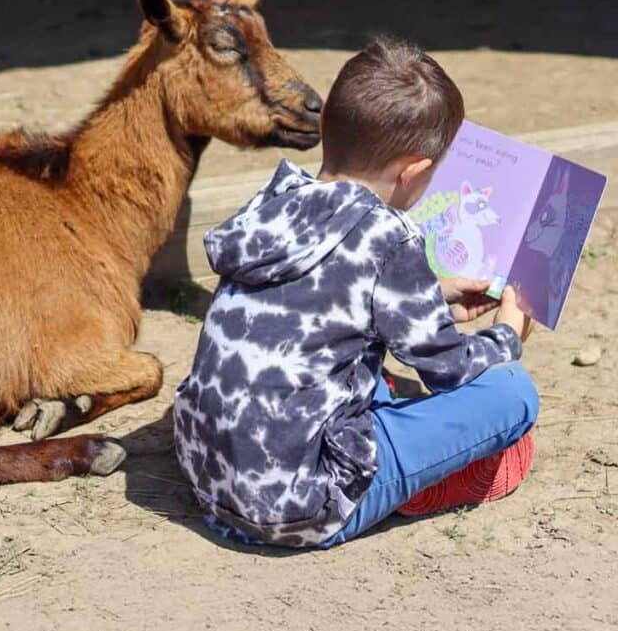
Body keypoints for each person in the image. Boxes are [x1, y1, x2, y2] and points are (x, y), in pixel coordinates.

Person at [173, 36, 538, 549]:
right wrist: (507, 332)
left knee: (372, 373)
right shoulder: (386, 235)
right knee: (512, 393)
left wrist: (431, 294)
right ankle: (412, 486)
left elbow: (316, 296)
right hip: (300, 506)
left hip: (209, 476)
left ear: (325, 126)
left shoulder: (275, 200)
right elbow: (447, 370)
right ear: (414, 170)